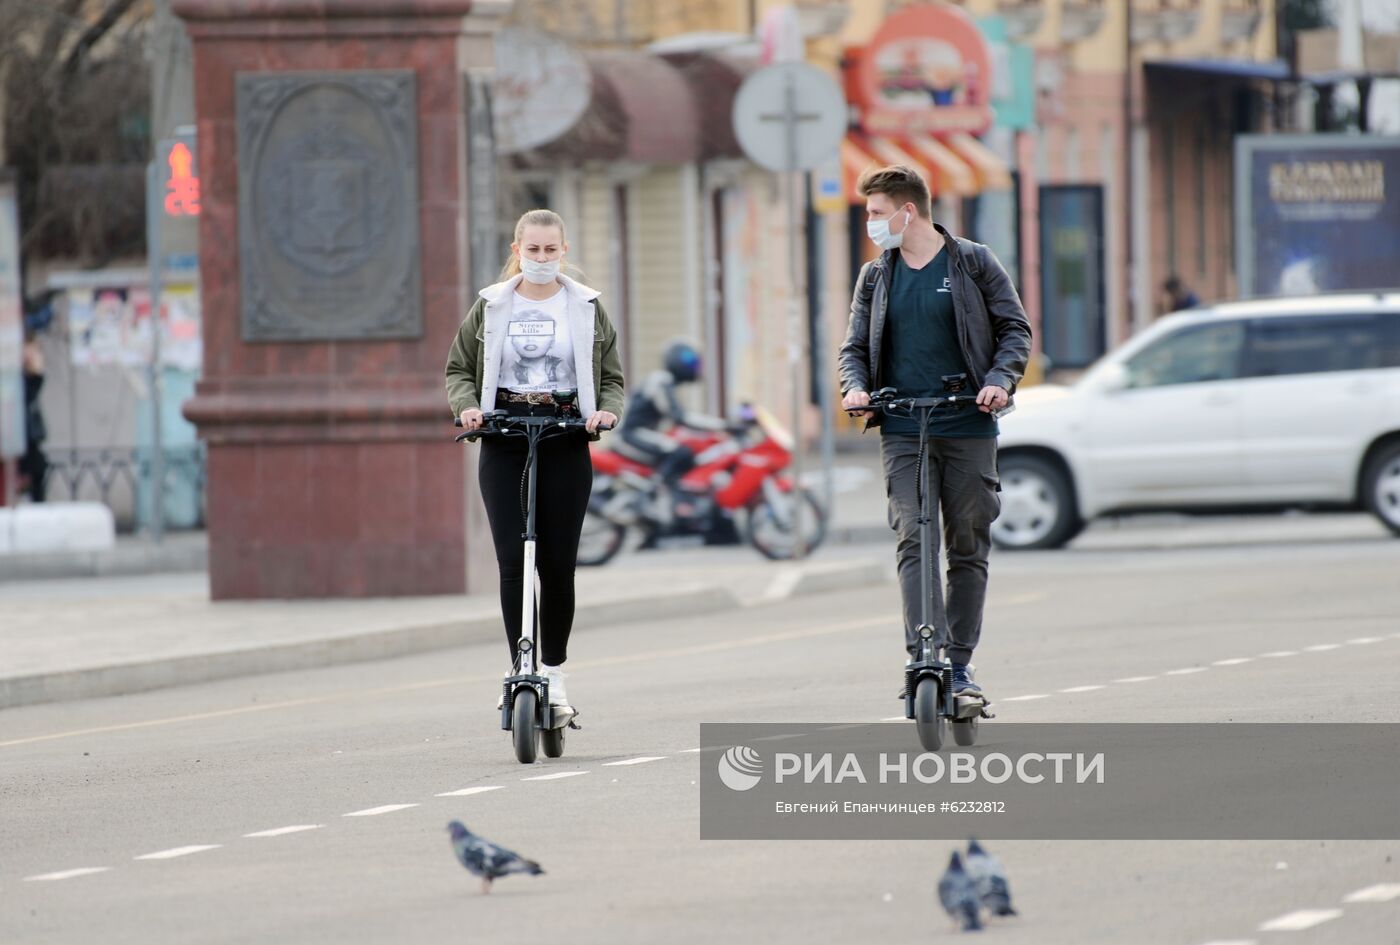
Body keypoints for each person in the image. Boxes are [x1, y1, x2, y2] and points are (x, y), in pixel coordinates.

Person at [838, 165, 1031, 700]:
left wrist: (999, 381)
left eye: (877, 213)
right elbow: (853, 348)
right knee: (913, 535)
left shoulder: (973, 262)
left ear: (908, 211)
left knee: (966, 541)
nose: (871, 224)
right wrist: (854, 387)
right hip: (903, 425)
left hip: (968, 422)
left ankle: (961, 663)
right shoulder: (876, 276)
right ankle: (925, 654)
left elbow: (1015, 329)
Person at [445, 208, 624, 709]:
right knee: (513, 562)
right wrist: (467, 407)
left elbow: (611, 378)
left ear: (563, 251)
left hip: (565, 433)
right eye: (532, 250)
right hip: (504, 435)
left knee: (557, 563)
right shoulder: (491, 306)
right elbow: (459, 368)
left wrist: (605, 414)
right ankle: (519, 666)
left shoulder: (585, 307)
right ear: (516, 251)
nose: (541, 259)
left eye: (550, 250)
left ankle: (555, 670)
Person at [614, 339, 730, 523]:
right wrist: (723, 425)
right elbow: (679, 417)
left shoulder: (663, 380)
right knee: (681, 452)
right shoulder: (661, 380)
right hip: (632, 435)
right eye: (692, 362)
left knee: (682, 448)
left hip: (639, 433)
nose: (695, 367)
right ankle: (653, 494)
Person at [19, 329, 48, 503]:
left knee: (37, 472)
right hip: (20, 443)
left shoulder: (28, 380)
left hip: (28, 443)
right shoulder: (19, 380)